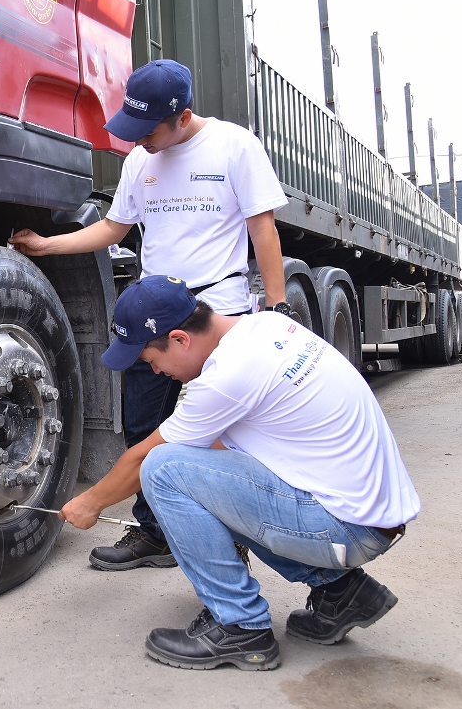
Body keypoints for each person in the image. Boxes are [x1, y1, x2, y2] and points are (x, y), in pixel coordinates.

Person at [11, 59, 292, 572]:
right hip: (152, 316)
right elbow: (114, 228)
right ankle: (154, 532)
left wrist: (278, 309)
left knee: (221, 429)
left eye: (149, 130)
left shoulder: (234, 146)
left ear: (182, 117)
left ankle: (233, 531)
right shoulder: (141, 161)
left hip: (215, 312)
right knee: (143, 423)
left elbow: (263, 230)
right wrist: (49, 245)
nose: (138, 140)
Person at [60, 275, 419, 670]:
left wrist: (89, 503)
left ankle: (239, 625)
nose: (158, 372)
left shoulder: (226, 376)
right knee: (197, 474)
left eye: (150, 360)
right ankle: (342, 593)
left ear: (180, 339)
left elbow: (143, 460)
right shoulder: (262, 327)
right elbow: (214, 457)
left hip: (348, 527)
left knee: (163, 470)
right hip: (366, 514)